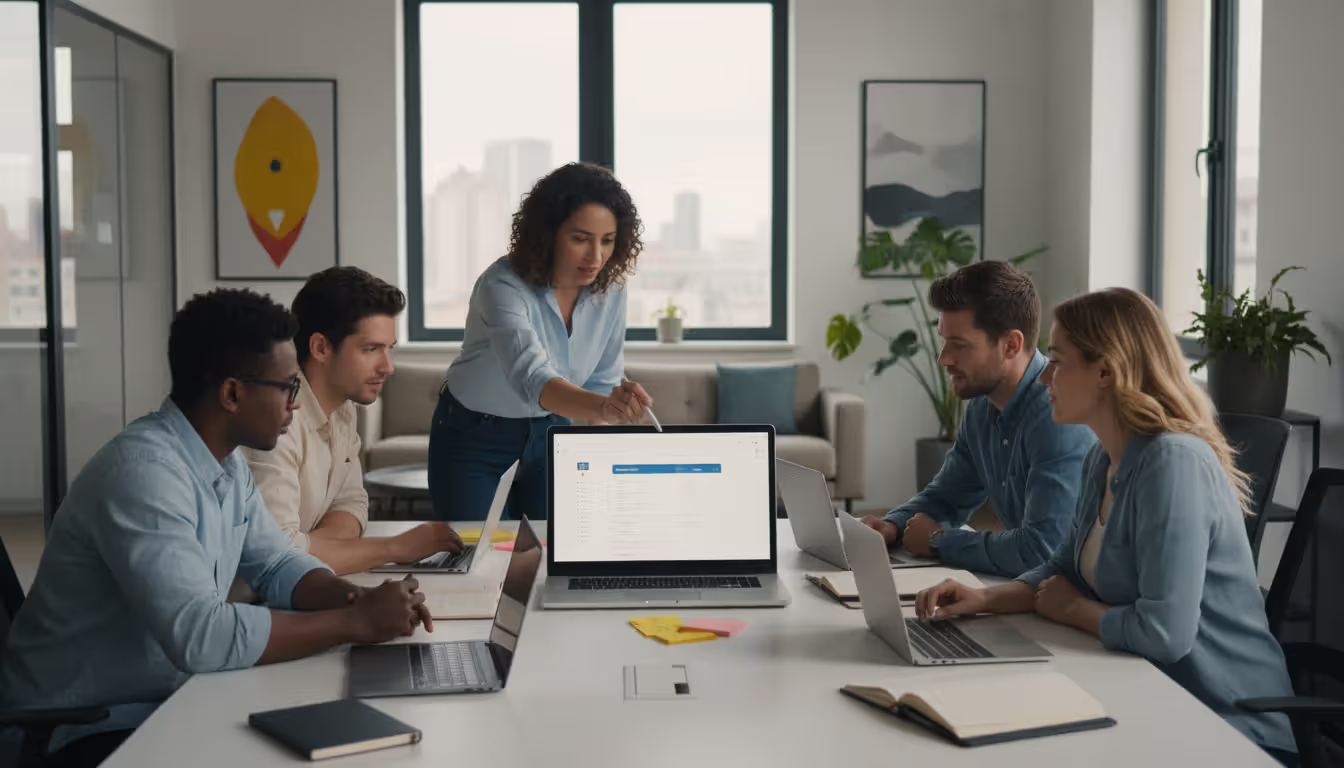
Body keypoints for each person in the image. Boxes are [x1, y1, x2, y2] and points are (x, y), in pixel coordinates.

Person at [0, 289, 433, 767]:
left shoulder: (225, 463)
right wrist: (353, 622)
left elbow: (277, 564)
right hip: (84, 726)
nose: (295, 404)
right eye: (288, 387)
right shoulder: (144, 473)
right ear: (232, 393)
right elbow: (199, 634)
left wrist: (356, 599)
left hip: (167, 697)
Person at [914, 288, 1297, 764]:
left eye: (1056, 360)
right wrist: (985, 599)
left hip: (1225, 725)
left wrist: (1073, 611)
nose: (1045, 377)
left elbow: (1165, 634)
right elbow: (1063, 569)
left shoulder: (1172, 462)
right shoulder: (1104, 458)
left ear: (1105, 371)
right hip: (1147, 697)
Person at [429, 162, 654, 522]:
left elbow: (603, 378)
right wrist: (605, 407)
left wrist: (598, 454)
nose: (595, 257)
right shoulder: (502, 286)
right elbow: (532, 377)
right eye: (580, 238)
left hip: (553, 431)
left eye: (607, 241)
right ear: (548, 233)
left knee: (559, 554)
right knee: (478, 563)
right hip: (474, 435)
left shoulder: (611, 291)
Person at [860, 261, 1096, 577]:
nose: (944, 358)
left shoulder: (1058, 414)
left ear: (1011, 345)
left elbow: (1041, 550)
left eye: (959, 345)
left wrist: (938, 541)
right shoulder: (983, 408)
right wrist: (891, 526)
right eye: (944, 341)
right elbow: (947, 498)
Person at [243, 266, 463, 575]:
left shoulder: (343, 408)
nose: (388, 367)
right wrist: (394, 548)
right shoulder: (276, 423)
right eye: (371, 349)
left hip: (304, 585)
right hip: (252, 606)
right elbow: (275, 559)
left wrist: (307, 548)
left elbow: (353, 504)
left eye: (389, 349)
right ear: (320, 347)